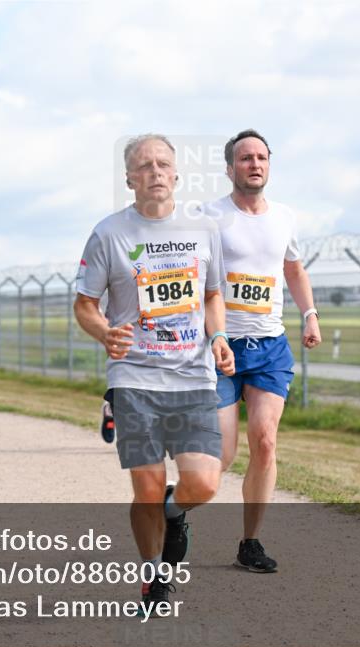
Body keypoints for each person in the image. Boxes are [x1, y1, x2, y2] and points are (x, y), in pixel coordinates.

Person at [74, 134, 234, 611]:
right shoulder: (109, 233)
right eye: (144, 166)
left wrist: (220, 335)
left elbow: (212, 294)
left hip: (192, 377)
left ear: (177, 174)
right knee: (144, 484)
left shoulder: (204, 229)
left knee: (203, 484)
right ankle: (152, 577)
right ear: (129, 179)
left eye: (163, 164)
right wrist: (105, 333)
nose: (155, 172)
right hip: (134, 378)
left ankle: (174, 510)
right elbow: (85, 305)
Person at [205, 129, 321, 573]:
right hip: (221, 348)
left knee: (266, 441)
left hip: (270, 345)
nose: (254, 164)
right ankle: (177, 509)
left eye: (261, 157)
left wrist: (309, 313)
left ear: (268, 164)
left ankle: (250, 542)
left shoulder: (285, 217)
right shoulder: (209, 216)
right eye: (245, 158)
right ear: (230, 167)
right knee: (222, 457)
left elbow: (293, 268)